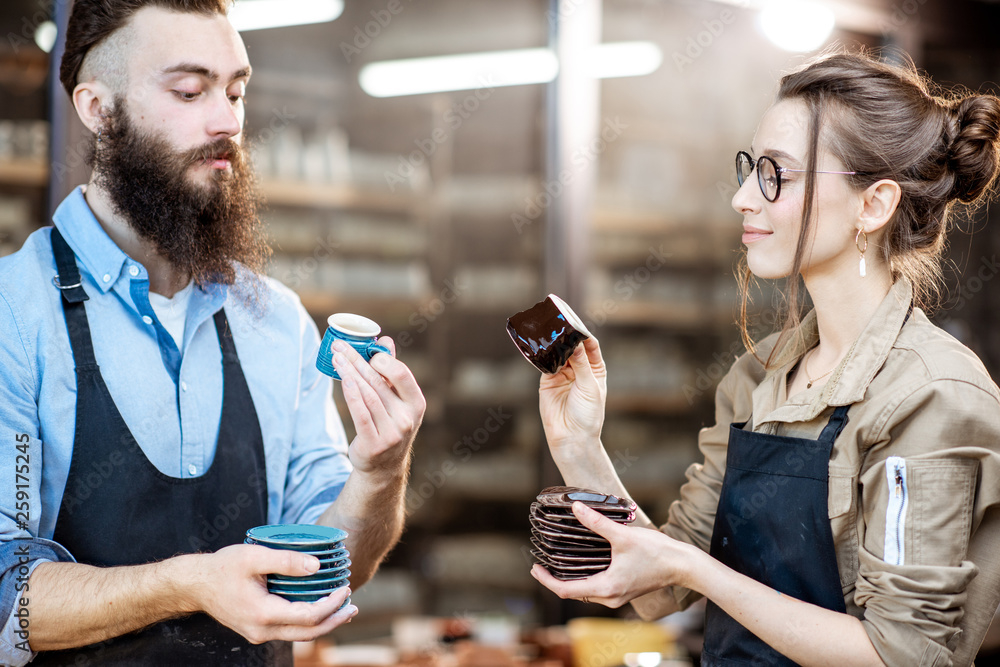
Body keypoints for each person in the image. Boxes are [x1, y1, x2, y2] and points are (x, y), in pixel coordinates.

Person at [530, 50, 1000, 666]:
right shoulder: (758, 379)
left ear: (874, 204)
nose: (743, 198)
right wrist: (581, 449)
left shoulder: (933, 397)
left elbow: (904, 655)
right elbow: (657, 586)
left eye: (776, 173)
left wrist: (697, 570)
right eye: (751, 168)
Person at [0, 0, 426, 664]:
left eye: (236, 91)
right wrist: (188, 582)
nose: (228, 121)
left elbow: (337, 561)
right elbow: (8, 597)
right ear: (96, 107)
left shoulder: (275, 320)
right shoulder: (15, 313)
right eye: (190, 90)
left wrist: (378, 473)